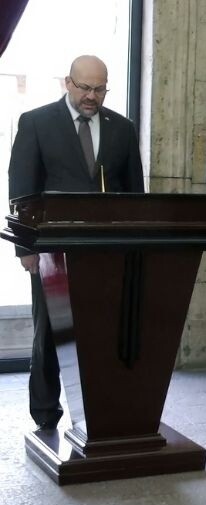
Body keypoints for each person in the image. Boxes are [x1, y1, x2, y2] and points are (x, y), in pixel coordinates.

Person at [7, 55, 144, 430]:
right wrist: (25, 248)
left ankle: (101, 410)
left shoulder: (122, 128)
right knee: (49, 333)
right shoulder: (36, 122)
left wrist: (137, 246)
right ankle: (46, 413)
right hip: (51, 251)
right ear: (68, 82)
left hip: (107, 252)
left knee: (101, 331)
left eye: (100, 89)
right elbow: (21, 188)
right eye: (85, 87)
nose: (92, 96)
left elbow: (135, 194)